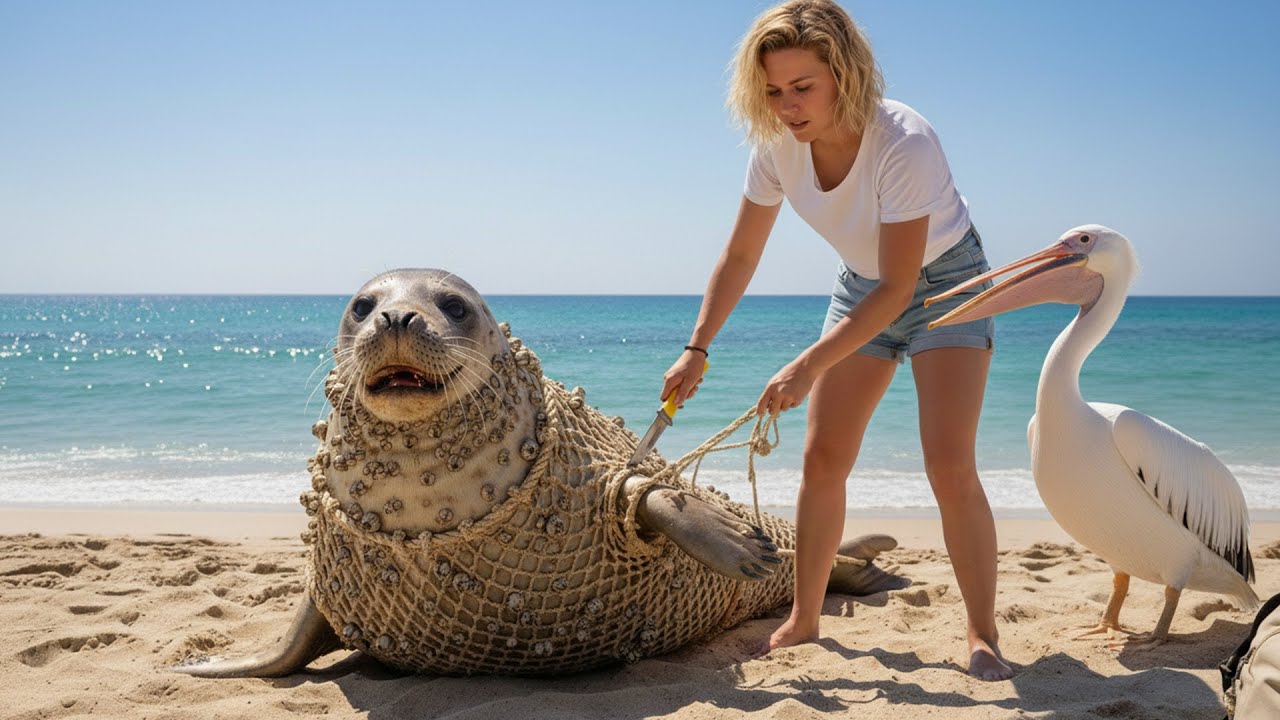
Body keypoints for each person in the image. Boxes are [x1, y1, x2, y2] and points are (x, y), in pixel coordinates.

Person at [660, 0, 1013, 681]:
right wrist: (697, 346)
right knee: (824, 457)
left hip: (946, 284)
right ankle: (806, 617)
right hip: (863, 284)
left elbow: (902, 285)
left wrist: (806, 365)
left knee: (948, 464)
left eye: (802, 87)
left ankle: (982, 631)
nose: (787, 106)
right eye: (772, 91)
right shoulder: (774, 149)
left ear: (843, 75)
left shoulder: (903, 141)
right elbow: (739, 259)